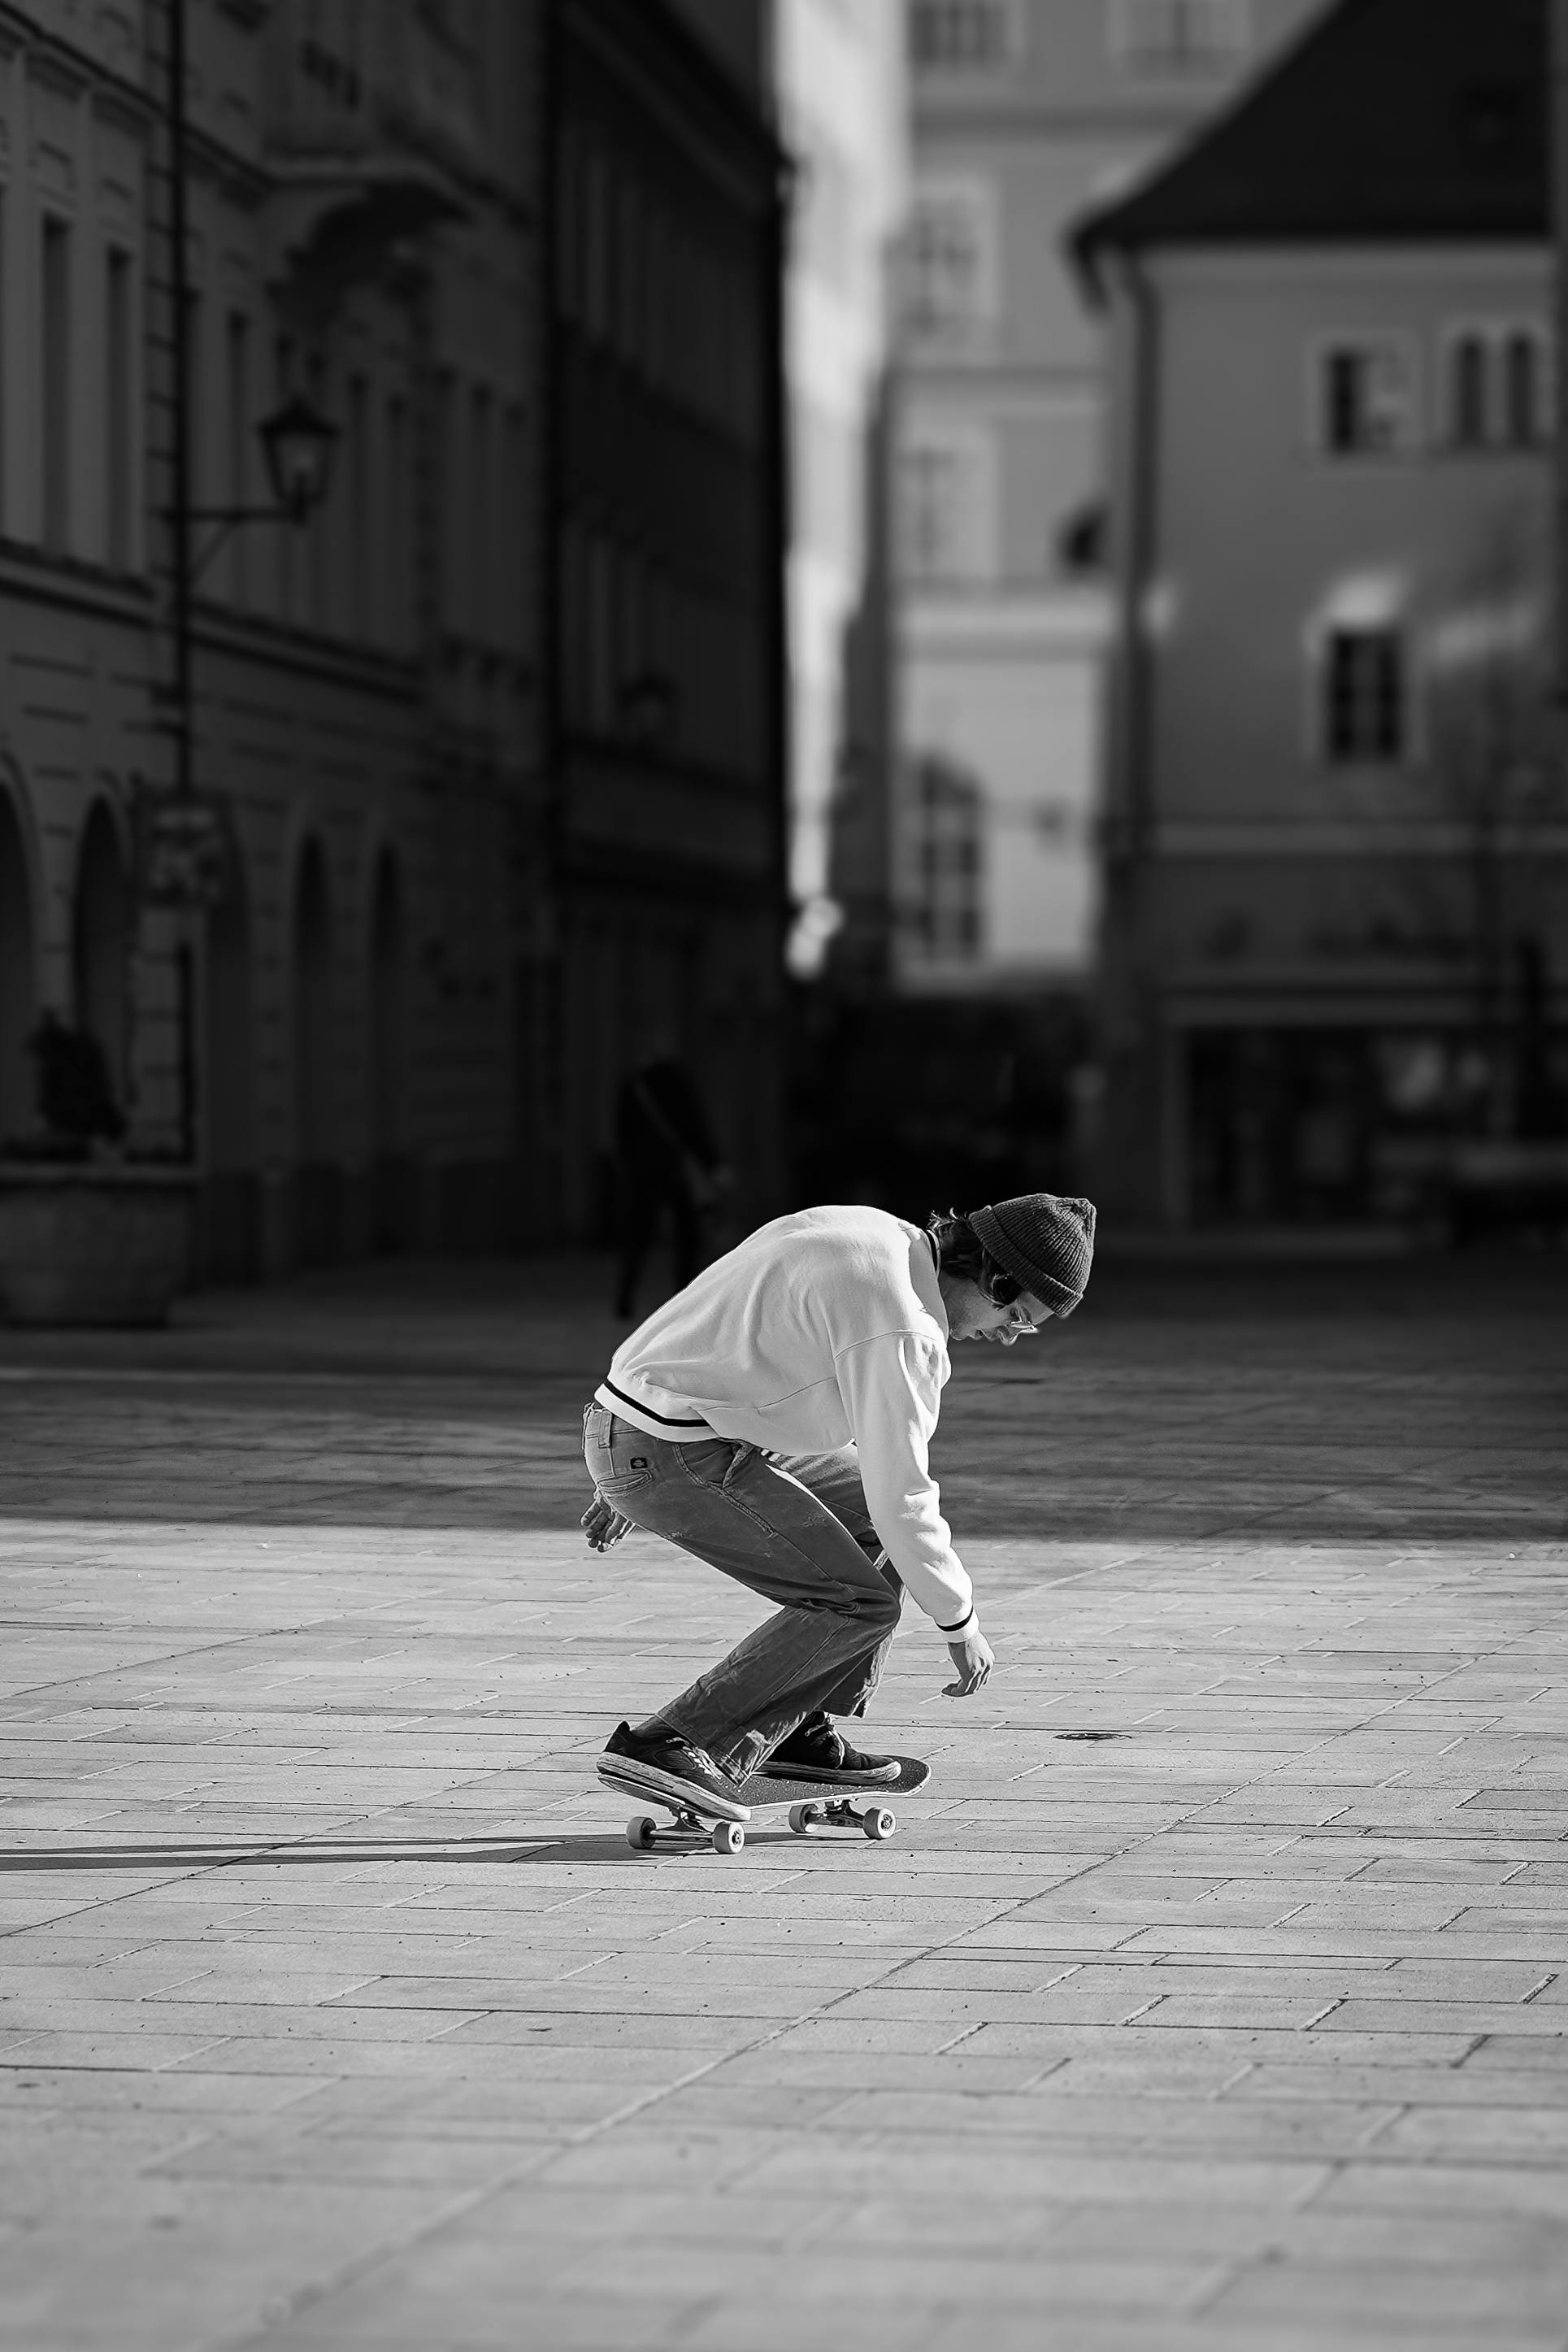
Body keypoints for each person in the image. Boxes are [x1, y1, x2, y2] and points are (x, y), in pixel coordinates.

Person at [580, 1191, 1097, 1822]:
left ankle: (796, 1730)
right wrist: (959, 1624)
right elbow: (903, 1494)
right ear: (992, 1276)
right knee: (857, 1602)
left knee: (864, 1519)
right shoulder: (903, 1328)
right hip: (673, 1447)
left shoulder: (870, 1230)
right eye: (1015, 1315)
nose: (1010, 1338)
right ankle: (679, 1740)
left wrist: (629, 1434)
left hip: (660, 1424)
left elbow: (724, 1316)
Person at [612, 1041, 732, 1319]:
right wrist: (713, 1164)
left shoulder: (632, 1085)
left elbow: (622, 1133)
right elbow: (693, 1126)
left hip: (643, 1173)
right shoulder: (675, 1082)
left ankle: (625, 1297)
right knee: (686, 1237)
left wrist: (630, 1168)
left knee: (638, 1236)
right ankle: (685, 1299)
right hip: (675, 1171)